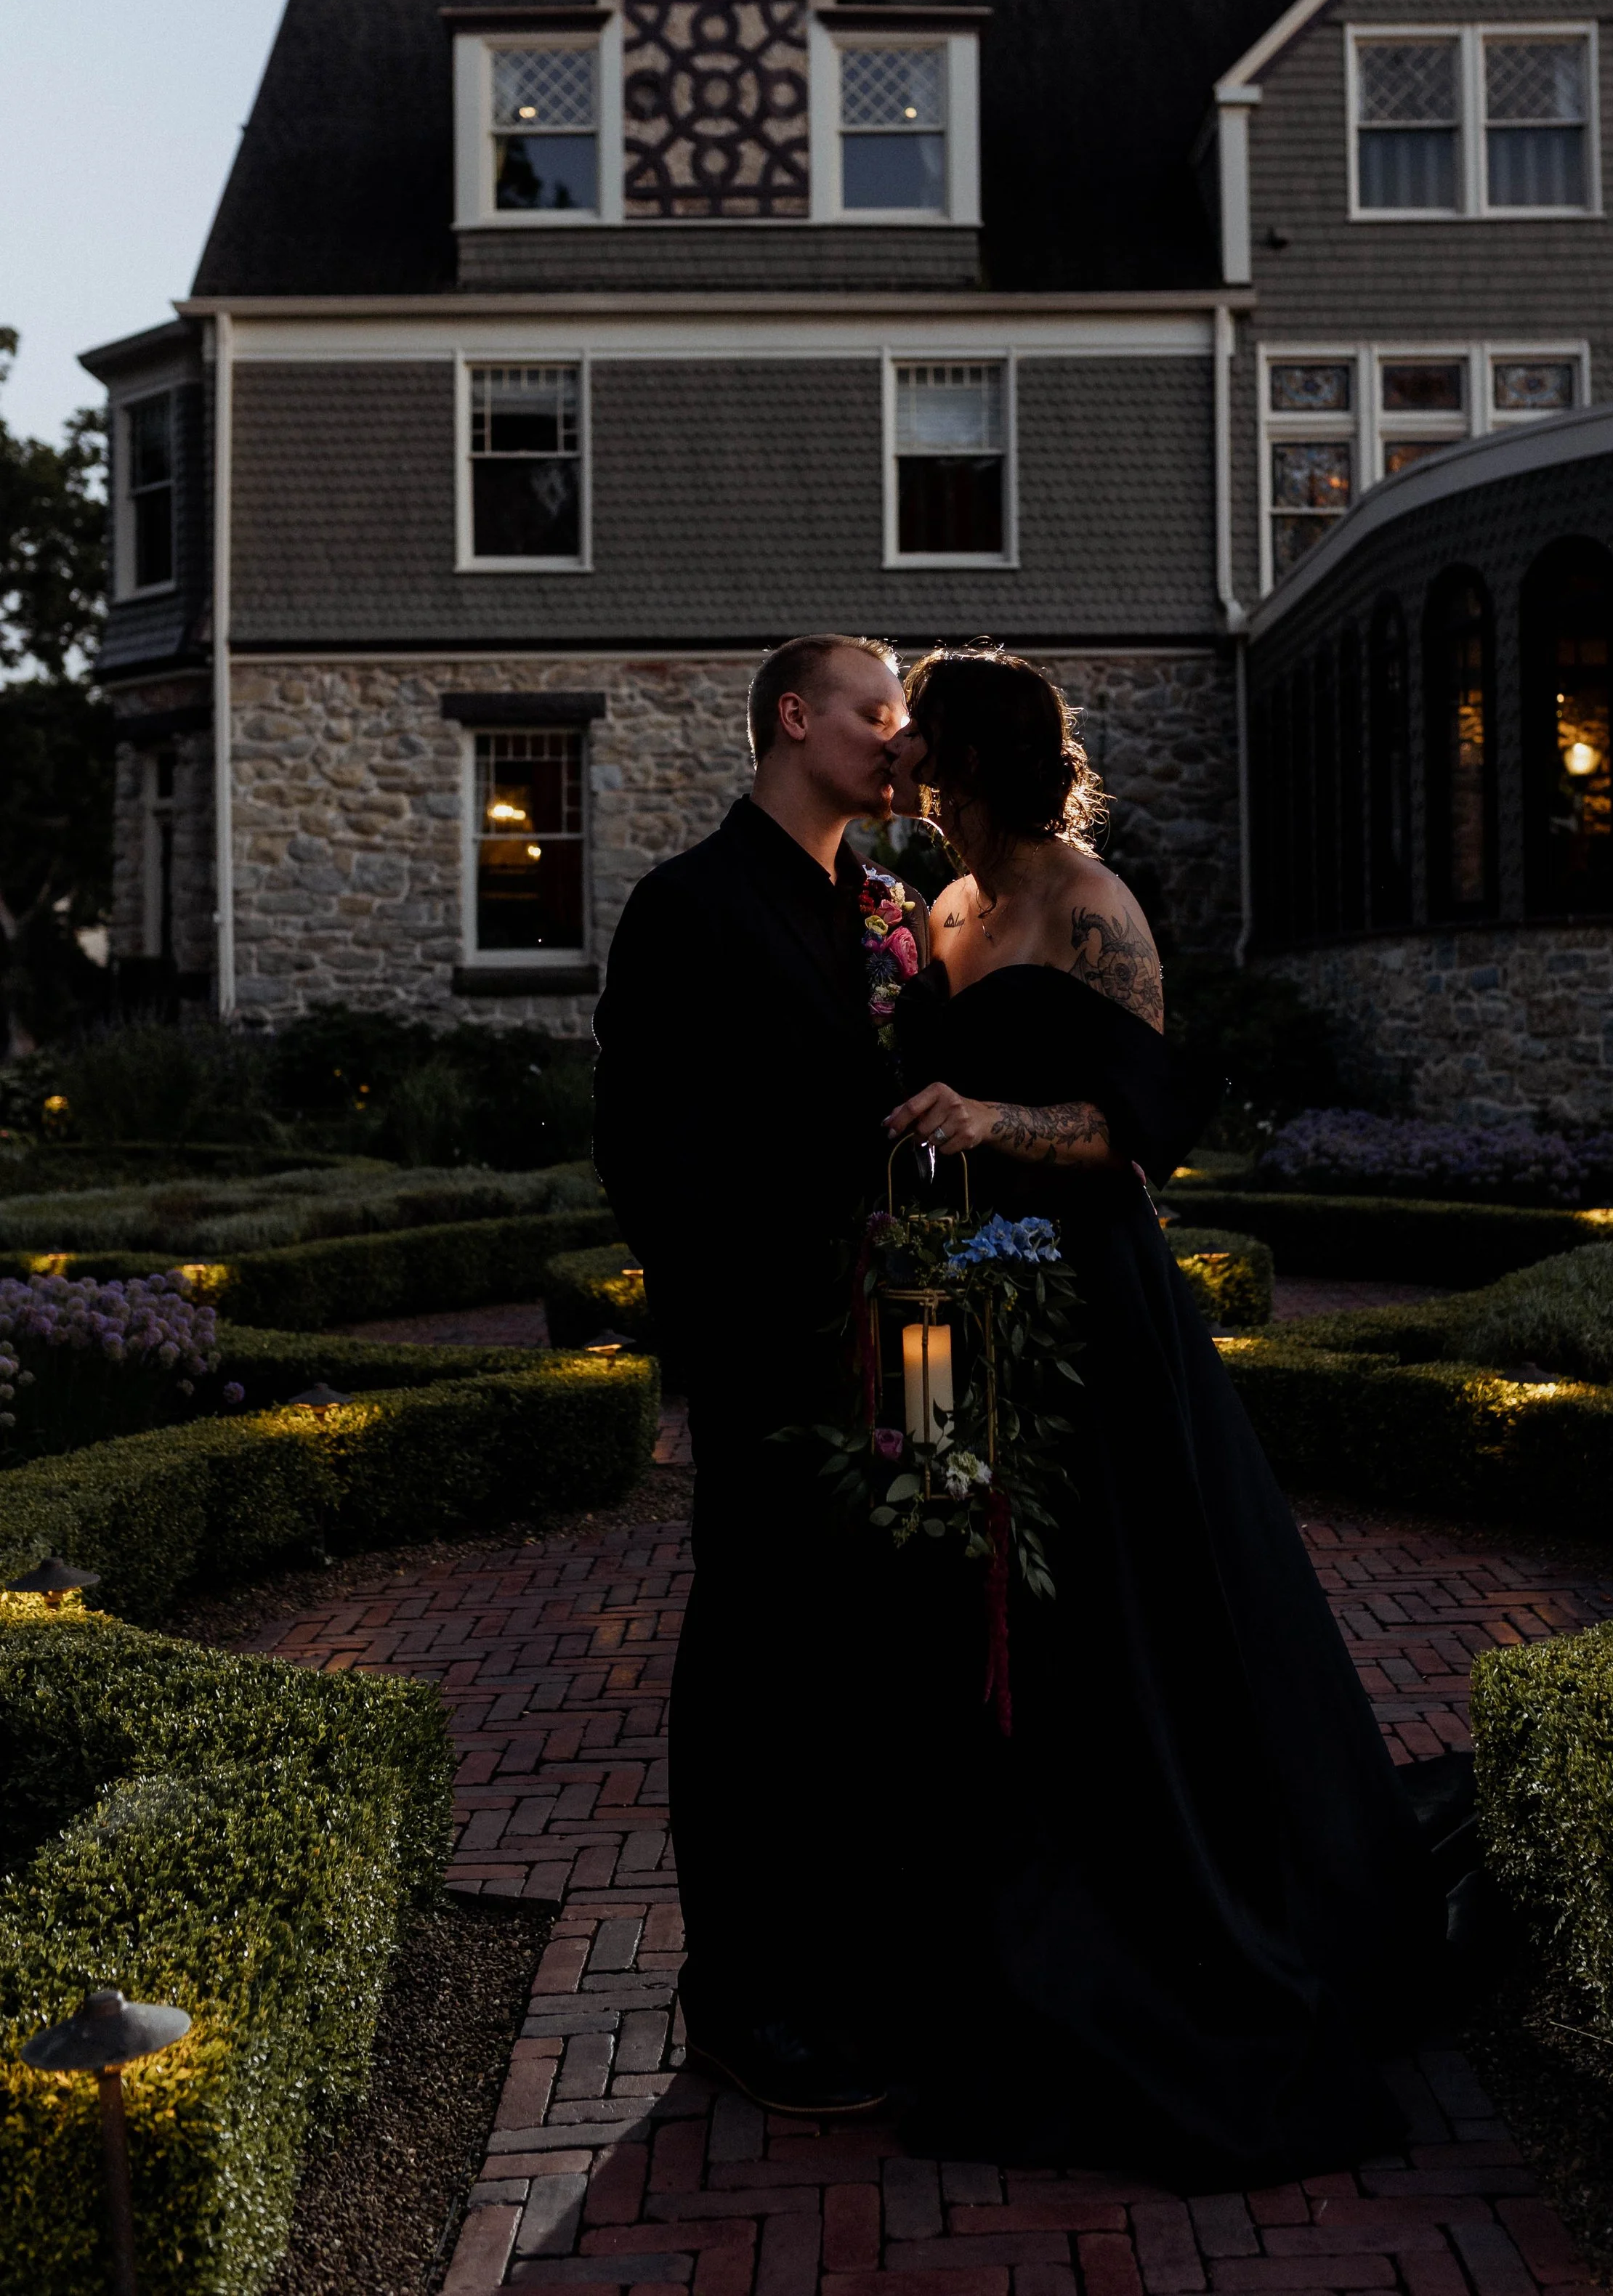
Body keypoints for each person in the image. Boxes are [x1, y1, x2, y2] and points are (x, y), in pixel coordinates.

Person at [879, 645, 1444, 2186]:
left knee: (1110, 1585)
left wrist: (988, 1117)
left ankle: (1149, 1905)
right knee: (953, 1556)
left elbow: (1139, 1137)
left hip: (1083, 1294)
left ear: (971, 754)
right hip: (941, 1295)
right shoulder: (938, 908)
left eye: (920, 731)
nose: (901, 751)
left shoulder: (1091, 907)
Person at [592, 633, 924, 2114]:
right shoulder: (689, 904)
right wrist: (742, 1324)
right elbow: (644, 1149)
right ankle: (737, 1995)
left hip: (913, 1343)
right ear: (793, 717)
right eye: (875, 711)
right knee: (757, 1656)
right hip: (769, 1347)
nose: (896, 740)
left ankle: (853, 1955)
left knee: (877, 1650)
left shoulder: (891, 907)